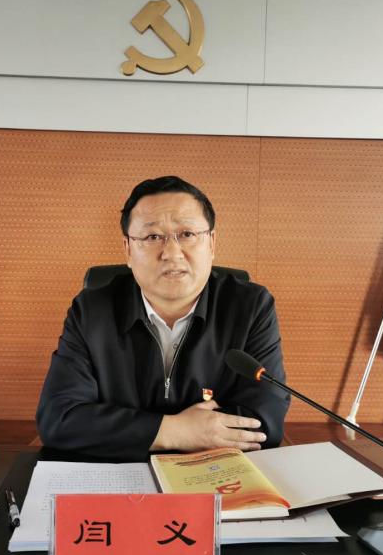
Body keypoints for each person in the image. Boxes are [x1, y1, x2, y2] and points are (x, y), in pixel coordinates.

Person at [36, 176, 289, 460]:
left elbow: (264, 423)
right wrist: (176, 431)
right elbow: (58, 419)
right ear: (128, 249)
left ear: (212, 243)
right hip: (117, 476)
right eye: (153, 237)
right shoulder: (92, 310)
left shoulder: (250, 307)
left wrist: (125, 430)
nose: (171, 253)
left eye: (187, 234)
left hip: (213, 475)